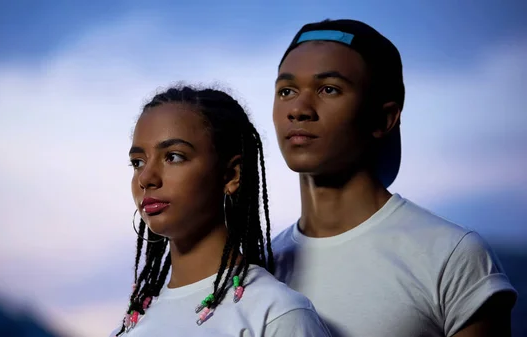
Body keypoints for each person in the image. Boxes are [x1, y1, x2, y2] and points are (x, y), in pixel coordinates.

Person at [270, 18, 517, 337]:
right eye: (286, 90)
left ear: (384, 117)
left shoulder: (451, 256)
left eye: (329, 89)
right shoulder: (263, 267)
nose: (299, 109)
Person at [110, 85, 331, 336]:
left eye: (173, 156)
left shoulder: (276, 314)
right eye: (138, 162)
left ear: (231, 175)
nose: (146, 177)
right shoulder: (131, 325)